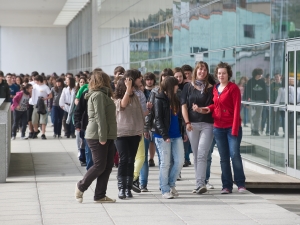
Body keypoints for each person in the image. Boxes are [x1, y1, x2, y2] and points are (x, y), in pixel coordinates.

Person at [201, 62, 246, 194]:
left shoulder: (233, 88)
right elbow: (215, 106)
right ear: (217, 74)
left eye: (224, 73)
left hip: (232, 127)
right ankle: (226, 186)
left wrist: (234, 128)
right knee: (223, 158)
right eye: (219, 73)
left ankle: (240, 183)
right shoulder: (215, 88)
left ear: (228, 74)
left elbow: (237, 108)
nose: (221, 75)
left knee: (235, 154)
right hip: (218, 128)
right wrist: (206, 109)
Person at [75, 70, 117, 203]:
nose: (110, 82)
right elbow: (100, 117)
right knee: (99, 165)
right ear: (102, 81)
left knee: (108, 165)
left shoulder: (104, 95)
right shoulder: (98, 95)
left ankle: (100, 195)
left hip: (107, 134)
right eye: (107, 79)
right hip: (97, 135)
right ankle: (81, 186)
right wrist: (103, 137)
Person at [181, 61, 214, 194]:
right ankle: (199, 183)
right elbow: (183, 106)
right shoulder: (188, 87)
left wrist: (201, 110)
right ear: (196, 71)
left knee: (202, 154)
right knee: (196, 154)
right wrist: (187, 122)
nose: (202, 72)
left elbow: (212, 107)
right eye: (200, 69)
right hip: (192, 125)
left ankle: (201, 183)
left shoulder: (212, 88)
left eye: (205, 70)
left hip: (208, 124)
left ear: (207, 72)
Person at [154, 76, 186, 199]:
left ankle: (171, 184)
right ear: (170, 86)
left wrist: (182, 133)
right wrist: (164, 135)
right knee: (165, 163)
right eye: (176, 85)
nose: (178, 87)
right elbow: (158, 119)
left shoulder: (176, 99)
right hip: (163, 136)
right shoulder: (159, 99)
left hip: (177, 135)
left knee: (179, 161)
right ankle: (165, 189)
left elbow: (179, 118)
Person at [114, 72, 144, 199]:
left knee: (131, 160)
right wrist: (127, 89)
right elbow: (123, 105)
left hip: (134, 133)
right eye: (130, 86)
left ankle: (128, 187)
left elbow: (139, 114)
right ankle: (121, 188)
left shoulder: (135, 97)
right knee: (124, 159)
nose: (133, 89)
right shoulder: (116, 98)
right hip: (121, 134)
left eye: (132, 87)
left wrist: (141, 129)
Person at [174, 67, 192, 167]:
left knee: (185, 141)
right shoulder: (172, 88)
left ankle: (185, 158)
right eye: (176, 76)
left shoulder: (187, 86)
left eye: (180, 76)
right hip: (176, 118)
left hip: (185, 117)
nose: (179, 78)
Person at [245, 68, 267, 136]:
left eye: (261, 75)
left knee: (258, 116)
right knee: (252, 116)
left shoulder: (262, 82)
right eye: (259, 75)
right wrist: (247, 102)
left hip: (260, 101)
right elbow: (247, 91)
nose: (260, 76)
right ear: (255, 75)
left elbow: (265, 91)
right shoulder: (250, 81)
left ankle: (256, 130)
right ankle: (253, 129)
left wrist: (266, 99)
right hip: (252, 101)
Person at [31, 75, 52, 139]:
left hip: (43, 104)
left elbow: (50, 96)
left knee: (43, 119)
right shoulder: (34, 86)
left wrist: (45, 99)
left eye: (36, 80)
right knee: (34, 119)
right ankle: (36, 130)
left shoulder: (45, 87)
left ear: (39, 80)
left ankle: (43, 133)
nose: (35, 81)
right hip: (35, 104)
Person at [143, 72, 156, 168]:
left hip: (154, 118)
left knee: (153, 141)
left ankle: (151, 158)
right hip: (144, 117)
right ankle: (145, 158)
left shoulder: (156, 90)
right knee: (145, 139)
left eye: (151, 79)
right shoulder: (142, 91)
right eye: (147, 79)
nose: (149, 81)